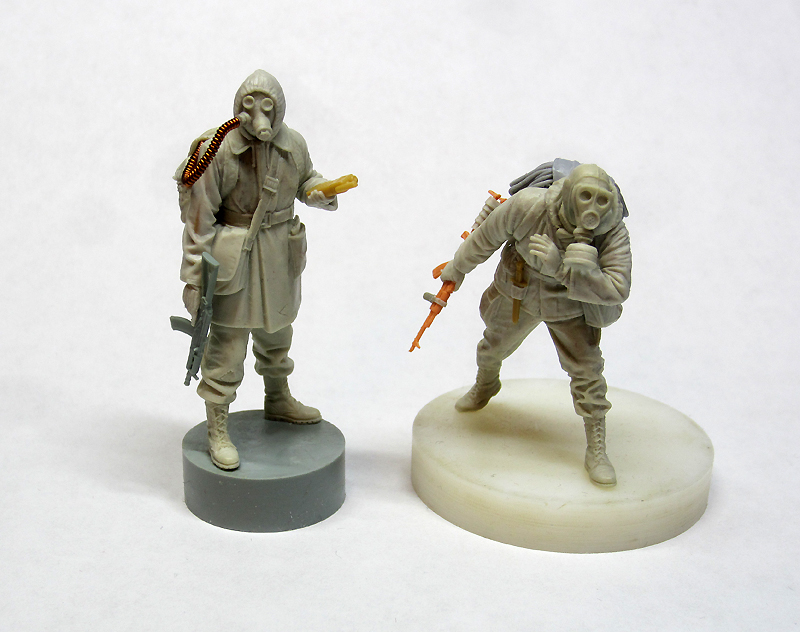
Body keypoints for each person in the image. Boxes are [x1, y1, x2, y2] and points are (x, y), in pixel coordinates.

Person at [176, 70, 339, 470]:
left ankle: (278, 397)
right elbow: (199, 220)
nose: (259, 116)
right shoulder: (217, 149)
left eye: (268, 107)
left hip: (279, 255)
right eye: (250, 106)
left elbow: (306, 179)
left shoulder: (293, 143)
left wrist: (318, 191)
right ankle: (217, 426)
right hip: (236, 258)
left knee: (277, 334)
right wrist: (194, 279)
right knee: (227, 346)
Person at [440, 162, 632, 486]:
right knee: (492, 348)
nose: (592, 208)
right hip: (520, 291)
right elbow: (484, 238)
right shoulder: (529, 206)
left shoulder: (612, 231)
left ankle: (596, 448)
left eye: (602, 200)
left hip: (570, 304)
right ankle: (486, 384)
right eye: (585, 196)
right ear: (568, 192)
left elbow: (617, 288)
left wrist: (562, 269)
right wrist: (457, 269)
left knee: (587, 373)